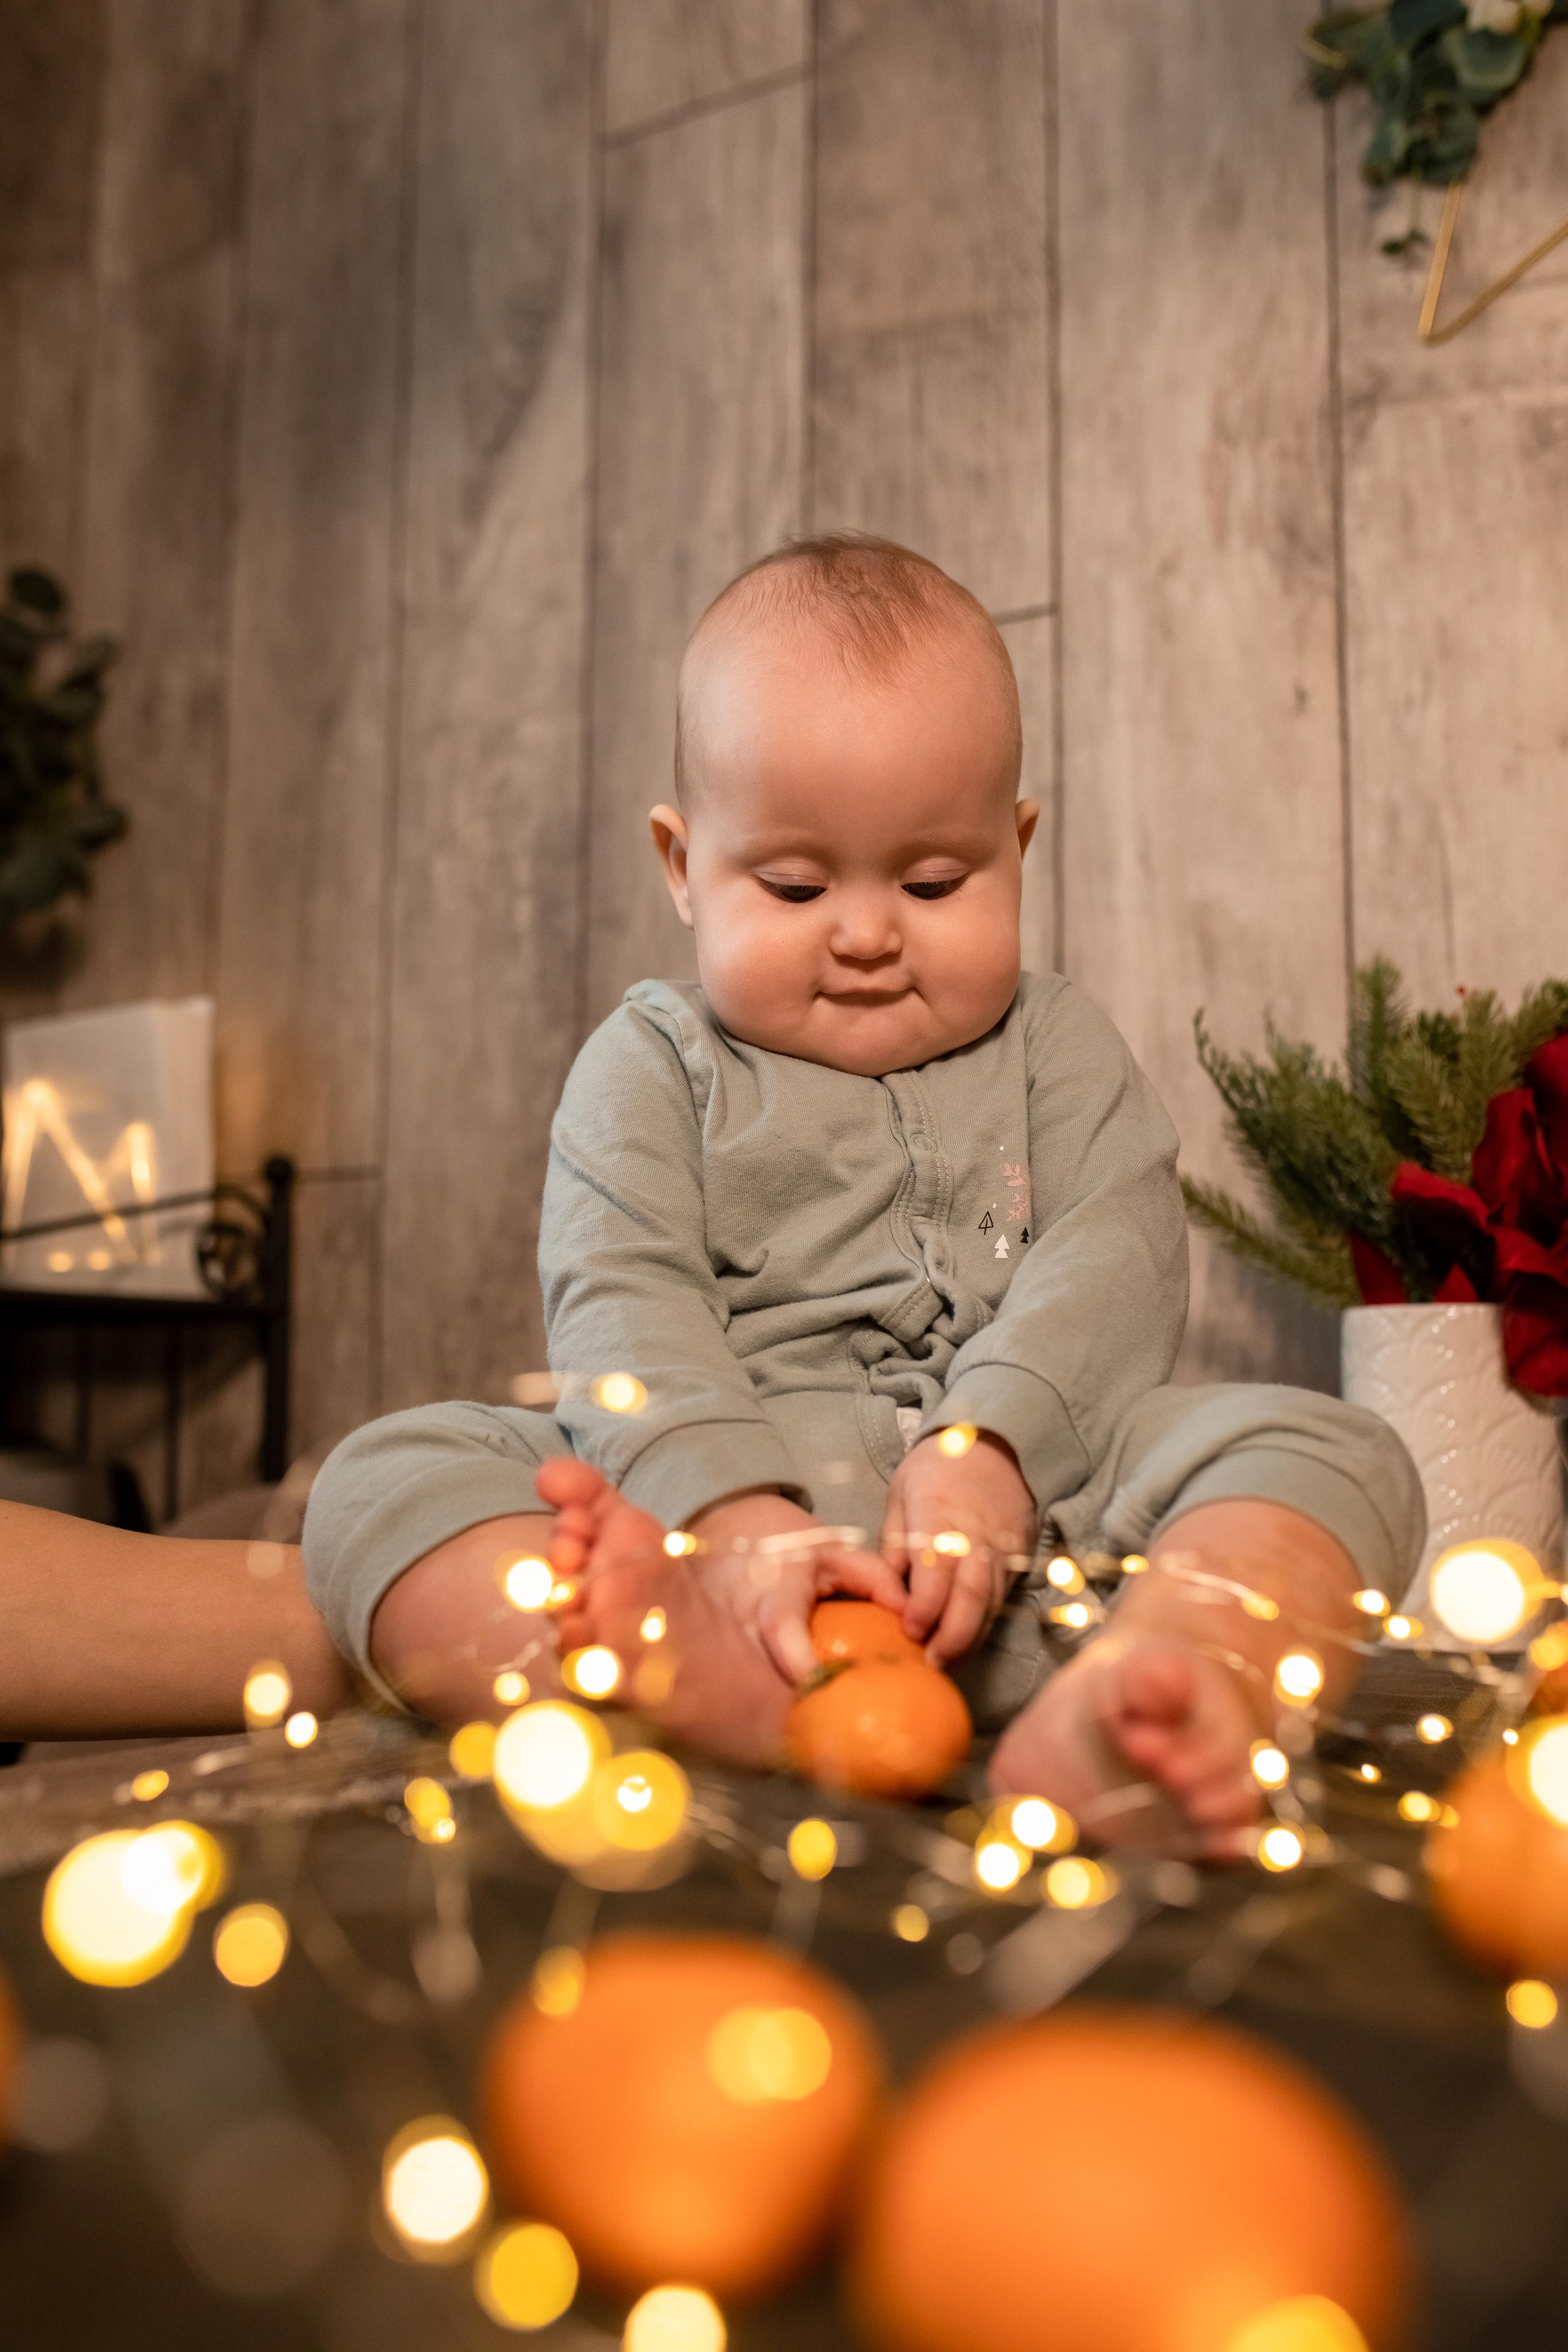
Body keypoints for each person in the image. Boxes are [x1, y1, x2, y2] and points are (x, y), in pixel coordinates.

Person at [303, 535, 1421, 1853]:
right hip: (708, 1560)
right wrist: (722, 1512)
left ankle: (1159, 1688)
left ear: (1016, 849)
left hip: (1038, 1551)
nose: (866, 931)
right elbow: (620, 1296)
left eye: (934, 882)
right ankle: (705, 1690)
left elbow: (1113, 1253)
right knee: (384, 1481)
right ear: (680, 865)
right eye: (792, 884)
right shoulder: (651, 1067)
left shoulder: (1053, 1047)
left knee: (1333, 1452)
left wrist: (988, 1448)